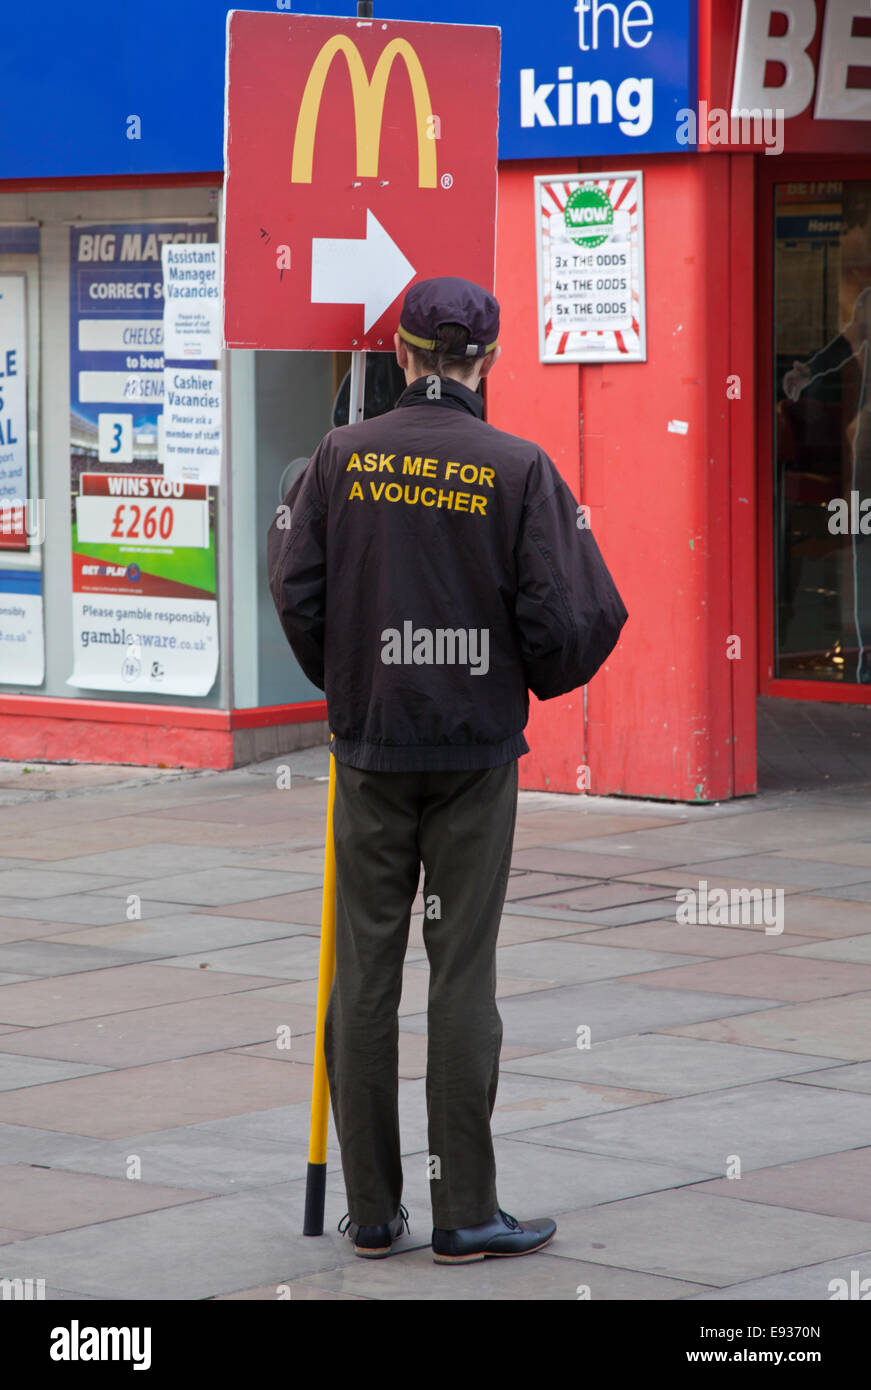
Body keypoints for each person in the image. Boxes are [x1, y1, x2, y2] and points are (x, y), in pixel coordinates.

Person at [267, 276, 628, 1264]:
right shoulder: (519, 467)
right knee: (462, 975)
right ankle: (465, 1209)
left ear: (400, 354)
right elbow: (575, 616)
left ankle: (374, 1211)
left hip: (371, 745)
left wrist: (350, 683)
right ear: (488, 361)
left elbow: (296, 590)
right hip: (473, 751)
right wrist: (528, 677)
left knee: (361, 976)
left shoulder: (339, 458)